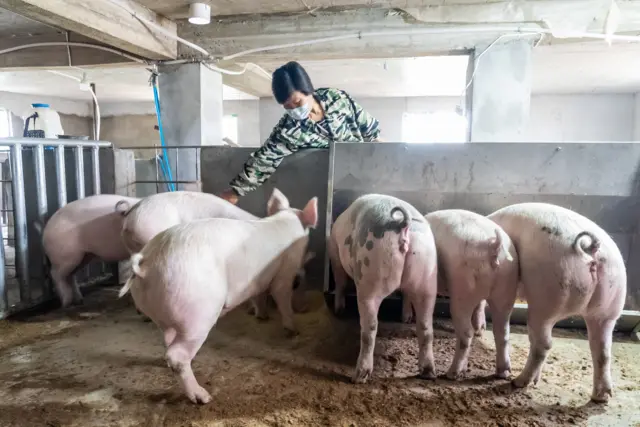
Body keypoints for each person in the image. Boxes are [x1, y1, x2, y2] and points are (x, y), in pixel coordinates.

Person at [220, 61, 382, 204]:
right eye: (287, 107)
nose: (294, 110)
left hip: (363, 179)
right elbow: (264, 159)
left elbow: (371, 132)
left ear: (308, 90)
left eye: (298, 102)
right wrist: (236, 191)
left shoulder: (337, 99)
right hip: (329, 189)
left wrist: (386, 160)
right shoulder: (288, 129)